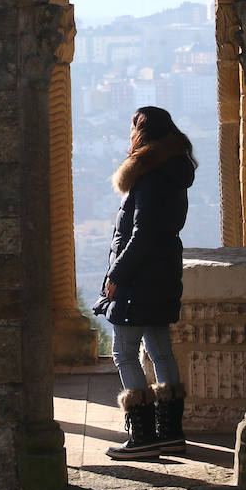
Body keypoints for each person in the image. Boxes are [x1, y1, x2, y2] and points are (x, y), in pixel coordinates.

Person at [99, 106, 195, 459]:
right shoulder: (173, 171)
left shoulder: (151, 175)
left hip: (140, 277)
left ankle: (144, 437)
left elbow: (141, 235)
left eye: (133, 129)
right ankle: (170, 433)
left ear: (143, 133)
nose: (130, 136)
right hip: (163, 273)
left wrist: (116, 275)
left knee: (123, 352)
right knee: (159, 350)